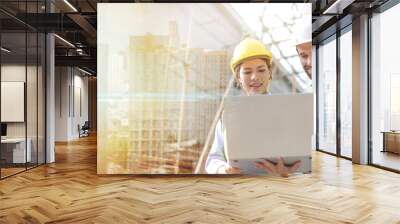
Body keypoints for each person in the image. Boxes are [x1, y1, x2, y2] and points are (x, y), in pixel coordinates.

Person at [205, 38, 301, 177]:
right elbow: (213, 159)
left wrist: (288, 174)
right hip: (240, 188)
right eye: (247, 72)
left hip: (279, 190)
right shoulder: (229, 115)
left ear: (270, 73)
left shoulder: (288, 111)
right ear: (239, 78)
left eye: (261, 70)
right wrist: (223, 169)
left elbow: (302, 160)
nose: (255, 77)